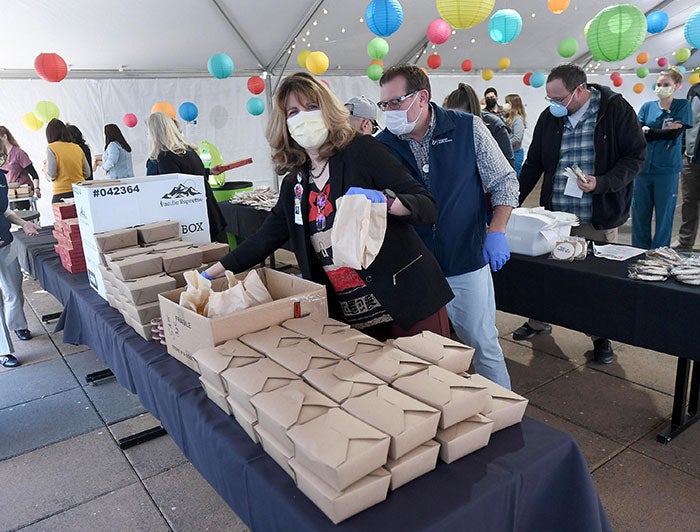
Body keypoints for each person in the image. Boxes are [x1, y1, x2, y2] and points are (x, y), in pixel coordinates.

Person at [204, 72, 453, 340]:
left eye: (312, 107)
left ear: (328, 111)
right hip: (353, 318)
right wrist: (209, 275)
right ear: (284, 123)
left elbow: (427, 206)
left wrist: (387, 201)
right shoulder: (295, 183)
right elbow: (264, 239)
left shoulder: (362, 151)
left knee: (433, 376)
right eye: (293, 111)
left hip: (408, 300)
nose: (304, 117)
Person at [377, 65, 519, 388]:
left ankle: (507, 421)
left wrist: (496, 230)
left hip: (465, 261)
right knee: (425, 356)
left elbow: (505, 182)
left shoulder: (468, 129)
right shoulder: (383, 145)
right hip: (414, 271)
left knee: (482, 344)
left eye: (395, 102)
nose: (389, 112)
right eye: (384, 105)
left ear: (422, 97)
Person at [517, 63, 646, 364]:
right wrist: (511, 200)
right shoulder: (550, 118)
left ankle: (601, 336)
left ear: (580, 90)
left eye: (559, 99)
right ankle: (538, 320)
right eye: (549, 99)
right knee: (545, 272)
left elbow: (635, 156)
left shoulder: (615, 110)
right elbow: (533, 163)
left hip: (595, 214)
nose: (553, 105)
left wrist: (602, 183)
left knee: (594, 281)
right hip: (555, 217)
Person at [632, 67, 693, 249]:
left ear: (677, 86)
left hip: (667, 170)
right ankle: (639, 251)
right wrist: (661, 132)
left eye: (666, 85)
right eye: (659, 84)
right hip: (643, 169)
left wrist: (650, 131)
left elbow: (673, 135)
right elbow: (638, 134)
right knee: (639, 213)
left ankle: (659, 253)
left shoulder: (682, 106)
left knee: (664, 215)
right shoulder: (647, 107)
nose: (661, 88)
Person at [145, 112, 227, 243]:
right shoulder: (189, 150)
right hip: (209, 215)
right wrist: (209, 171)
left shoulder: (165, 157)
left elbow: (172, 194)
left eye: (148, 132)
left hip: (194, 223)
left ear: (154, 133)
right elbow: (193, 176)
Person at [0, 165, 41, 368]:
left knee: (14, 290)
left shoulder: (1, 177)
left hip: (5, 245)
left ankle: (17, 325)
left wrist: (23, 224)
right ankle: (4, 350)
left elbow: (5, 210)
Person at [443, 83, 514, 168]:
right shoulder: (449, 126)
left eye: (460, 116)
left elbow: (507, 163)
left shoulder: (495, 126)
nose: (457, 121)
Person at [675, 80, 700, 251]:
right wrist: (684, 150)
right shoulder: (695, 90)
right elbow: (687, 123)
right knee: (689, 202)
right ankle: (685, 243)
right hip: (692, 158)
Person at [45, 119, 90, 203]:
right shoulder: (77, 147)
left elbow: (51, 175)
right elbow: (87, 173)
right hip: (80, 192)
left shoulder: (51, 148)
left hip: (61, 194)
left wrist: (45, 170)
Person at [0, 126, 41, 210]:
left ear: (4, 137)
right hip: (8, 193)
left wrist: (37, 188)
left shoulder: (19, 153)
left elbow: (34, 174)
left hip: (22, 192)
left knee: (20, 216)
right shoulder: (2, 156)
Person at [504, 94, 527, 176]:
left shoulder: (517, 120)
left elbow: (517, 138)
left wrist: (504, 144)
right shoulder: (508, 118)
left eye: (508, 103)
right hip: (509, 153)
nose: (505, 105)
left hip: (515, 154)